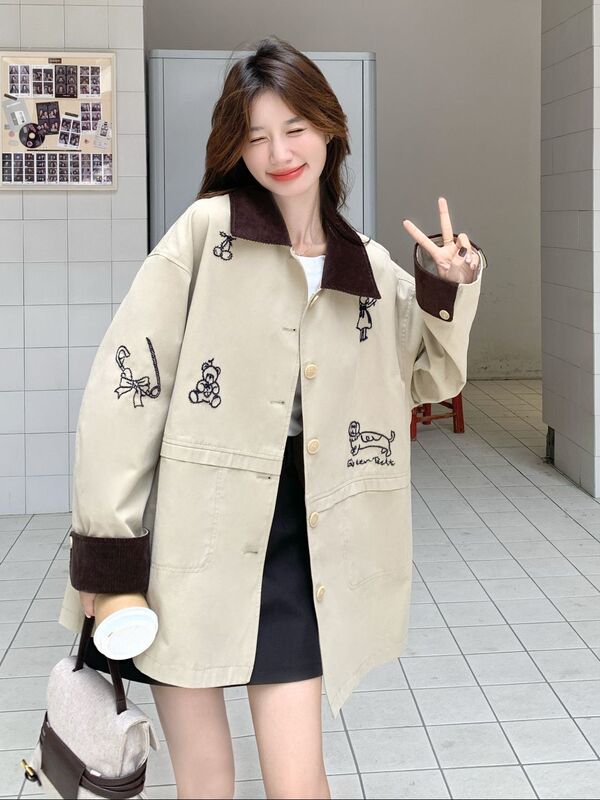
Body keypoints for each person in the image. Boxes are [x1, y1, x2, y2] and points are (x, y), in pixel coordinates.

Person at [66, 34, 484, 800]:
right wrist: (107, 555)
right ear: (236, 145)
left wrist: (446, 283)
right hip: (192, 536)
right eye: (256, 135)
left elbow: (429, 375)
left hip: (303, 546)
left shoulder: (368, 266)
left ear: (328, 129)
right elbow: (127, 391)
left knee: (298, 780)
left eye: (294, 128)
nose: (279, 152)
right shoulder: (205, 236)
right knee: (207, 780)